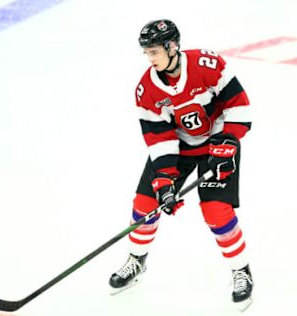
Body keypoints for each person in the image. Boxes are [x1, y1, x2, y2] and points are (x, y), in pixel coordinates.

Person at [108, 19, 254, 310]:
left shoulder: (207, 64)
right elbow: (158, 136)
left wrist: (228, 141)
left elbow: (239, 105)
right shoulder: (147, 88)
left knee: (215, 210)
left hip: (218, 144)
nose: (149, 59)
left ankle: (241, 271)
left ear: (172, 46)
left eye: (154, 52)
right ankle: (137, 260)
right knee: (144, 203)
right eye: (146, 53)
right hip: (178, 148)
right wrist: (164, 179)